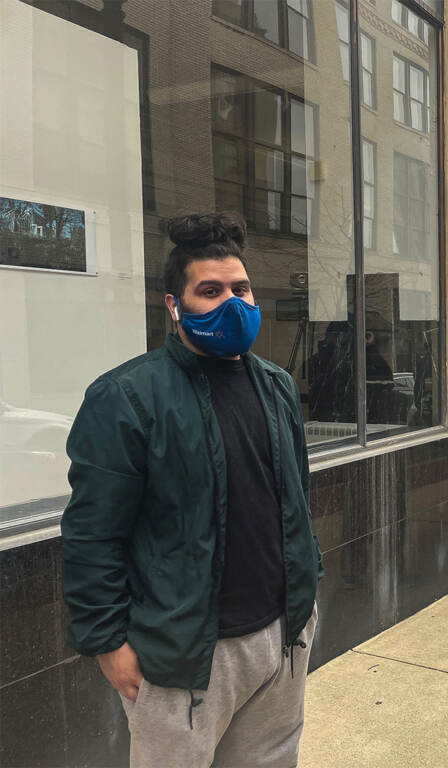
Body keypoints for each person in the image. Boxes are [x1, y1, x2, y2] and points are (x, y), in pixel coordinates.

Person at [61, 212, 322, 767]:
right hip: (184, 655)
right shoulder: (127, 397)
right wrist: (107, 642)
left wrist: (306, 598)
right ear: (173, 305)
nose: (232, 302)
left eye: (241, 288)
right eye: (210, 291)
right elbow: (91, 534)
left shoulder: (276, 386)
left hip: (281, 637)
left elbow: (295, 498)